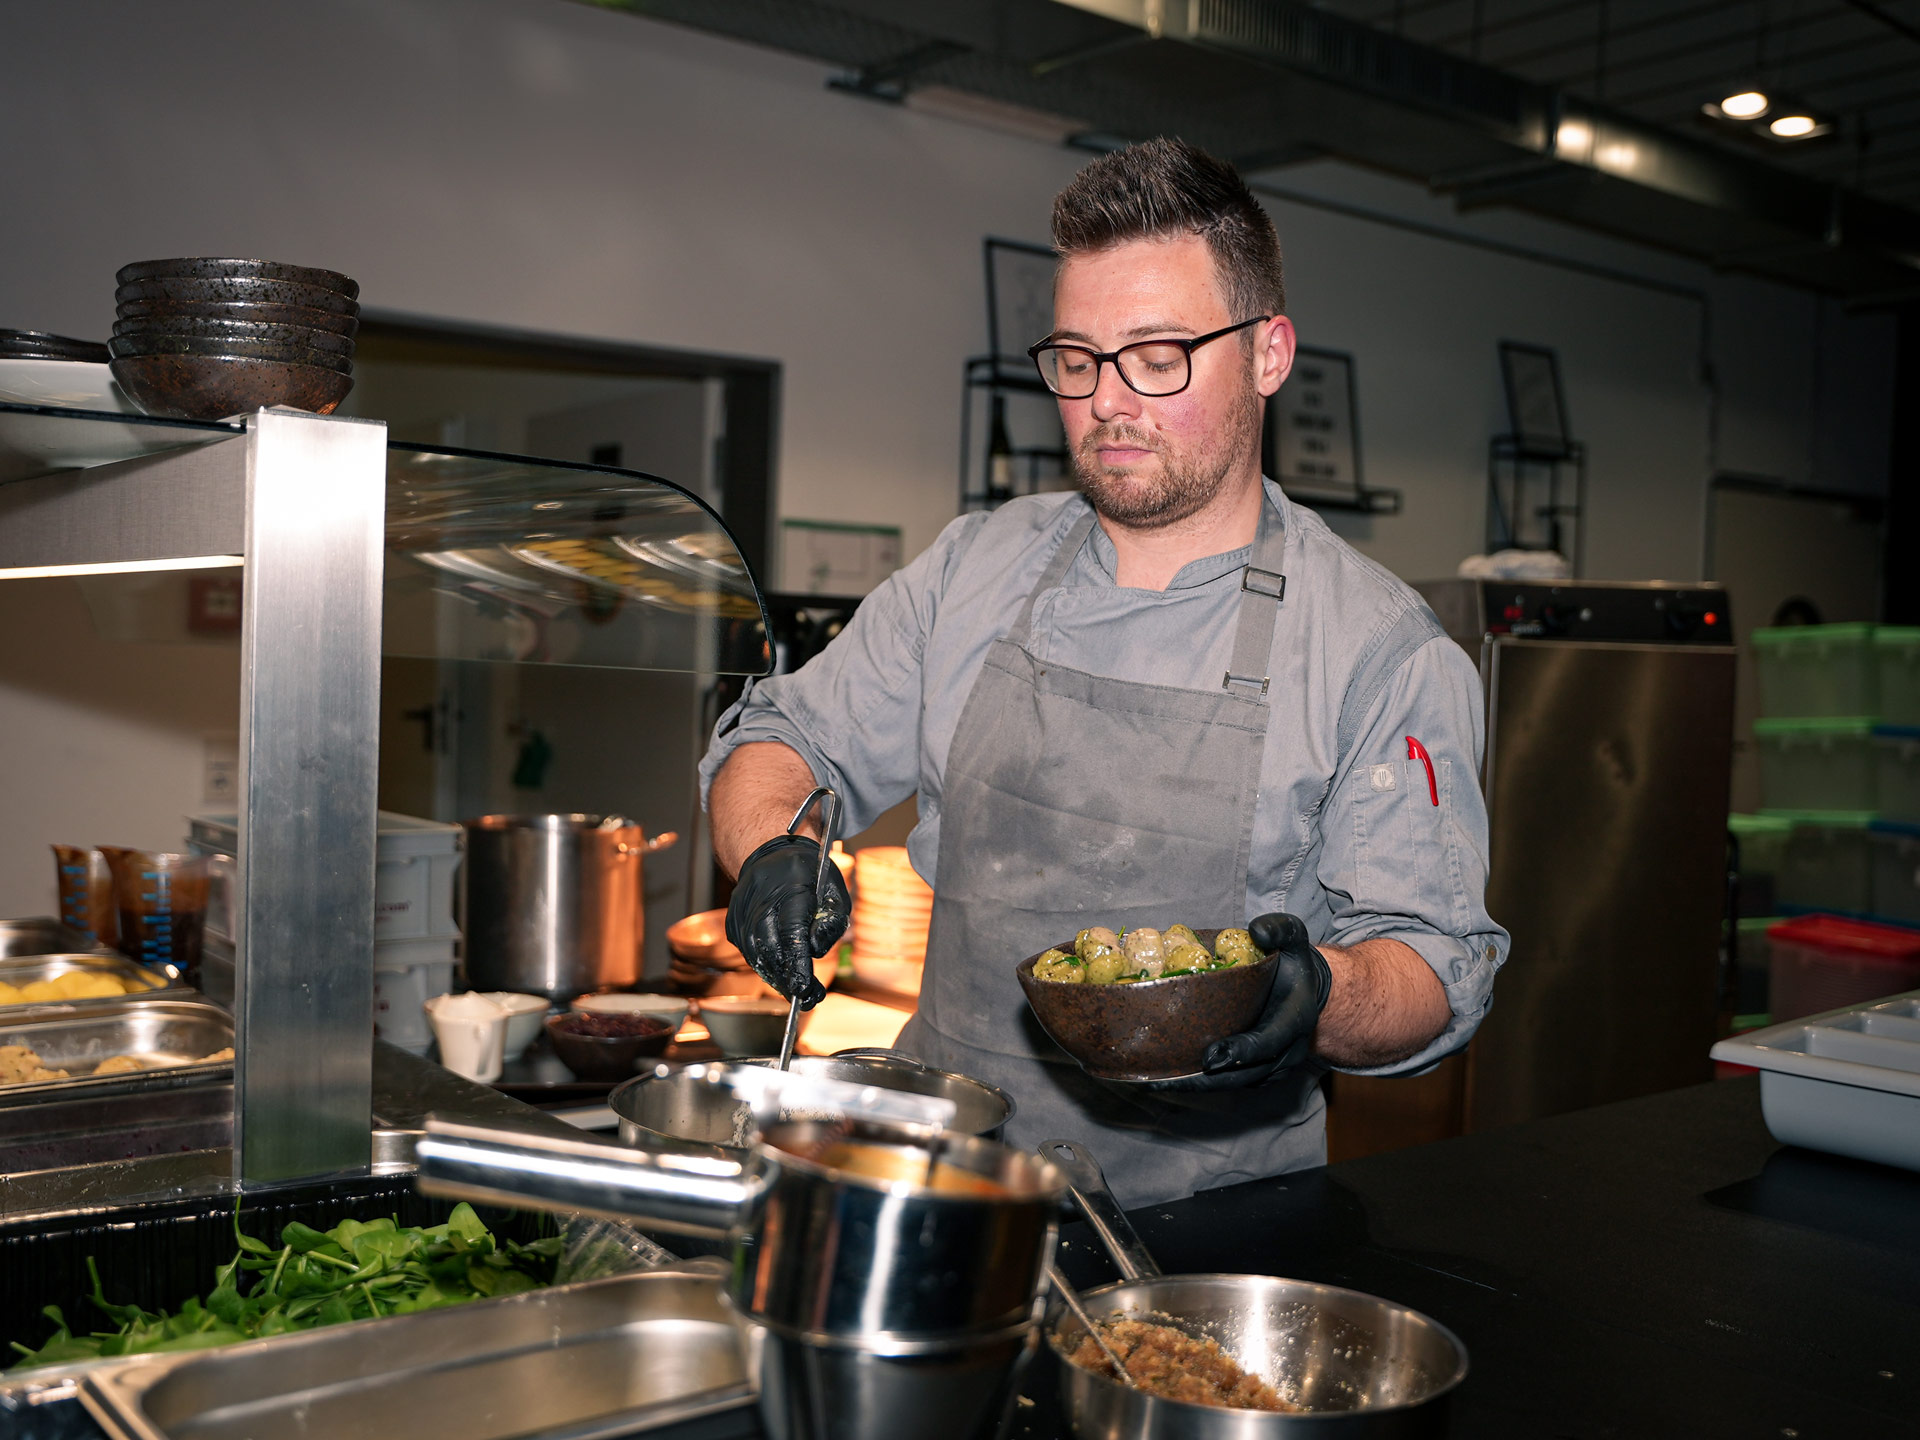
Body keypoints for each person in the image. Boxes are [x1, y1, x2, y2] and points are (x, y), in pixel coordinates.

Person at [701, 137, 1507, 1208]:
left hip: (1208, 1228)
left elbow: (1435, 965)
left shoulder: (1375, 649)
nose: (1109, 402)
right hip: (943, 1193)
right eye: (1078, 360)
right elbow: (784, 739)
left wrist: (1324, 994)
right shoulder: (973, 570)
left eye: (1159, 356)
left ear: (1269, 355)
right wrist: (771, 848)